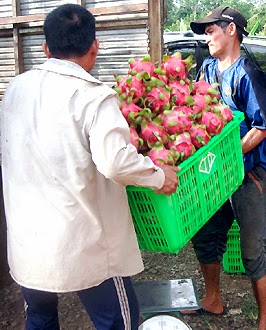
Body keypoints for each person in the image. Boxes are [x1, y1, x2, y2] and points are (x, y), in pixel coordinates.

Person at [0, 4, 180, 329]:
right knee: (119, 323)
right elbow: (115, 162)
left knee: (40, 317)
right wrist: (158, 176)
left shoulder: (15, 90)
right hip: (83, 248)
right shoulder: (93, 97)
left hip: (29, 244)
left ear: (45, 48)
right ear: (95, 47)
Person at [183, 6, 266, 330]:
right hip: (214, 175)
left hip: (248, 173)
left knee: (253, 247)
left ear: (231, 30)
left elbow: (262, 126)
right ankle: (212, 298)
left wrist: (230, 153)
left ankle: (265, 320)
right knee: (206, 235)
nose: (206, 37)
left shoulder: (247, 73)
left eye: (211, 30)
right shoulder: (207, 69)